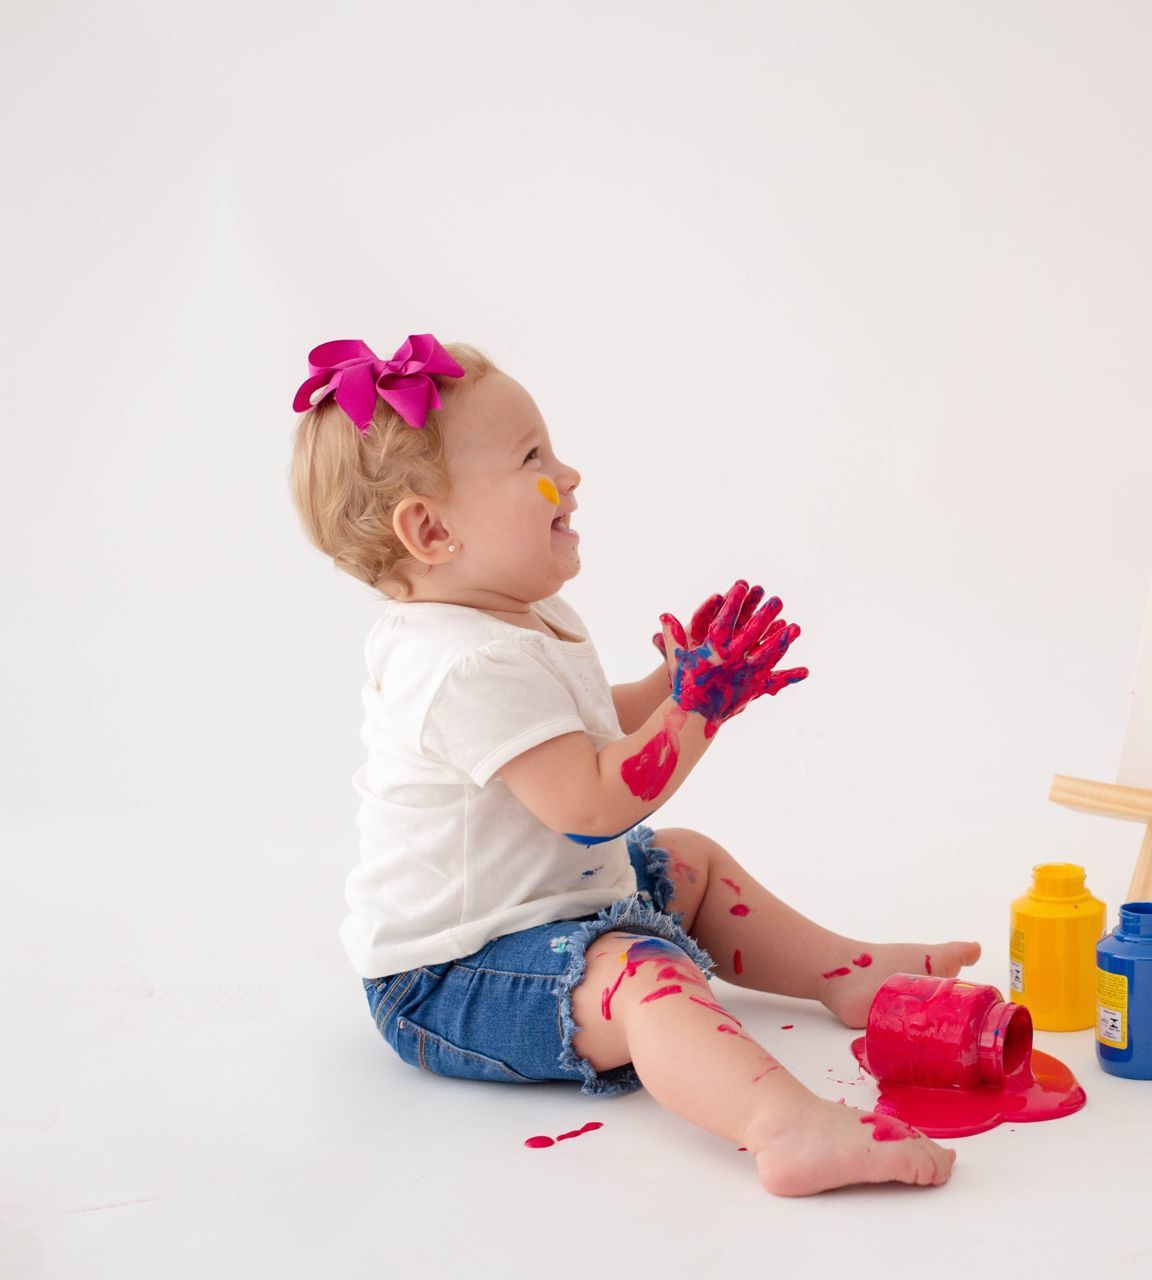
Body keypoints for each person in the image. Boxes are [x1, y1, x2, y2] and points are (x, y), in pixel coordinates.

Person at [288, 334, 979, 1194]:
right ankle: (785, 1126)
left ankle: (846, 971)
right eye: (532, 458)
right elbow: (588, 803)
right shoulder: (460, 666)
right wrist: (695, 714)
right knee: (645, 976)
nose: (568, 475)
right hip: (454, 978)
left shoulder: (525, 615)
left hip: (550, 903)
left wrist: (671, 687)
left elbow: (580, 734)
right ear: (431, 530)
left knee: (686, 859)